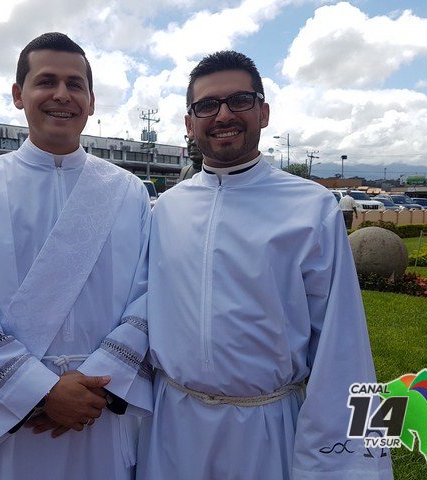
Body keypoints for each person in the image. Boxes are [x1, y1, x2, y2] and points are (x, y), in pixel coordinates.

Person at [137, 51, 393, 479]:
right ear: (188, 122)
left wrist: (360, 465)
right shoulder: (165, 210)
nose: (222, 114)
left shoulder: (312, 207)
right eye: (206, 105)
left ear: (264, 112)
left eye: (239, 100)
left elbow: (346, 345)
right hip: (171, 427)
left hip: (267, 430)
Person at [0, 32, 152, 480]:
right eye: (46, 81)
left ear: (91, 101)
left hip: (102, 408)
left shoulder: (128, 191)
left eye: (75, 84)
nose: (62, 95)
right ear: (18, 94)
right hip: (16, 419)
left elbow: (151, 293)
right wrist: (38, 392)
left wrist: (96, 387)